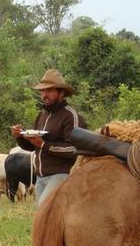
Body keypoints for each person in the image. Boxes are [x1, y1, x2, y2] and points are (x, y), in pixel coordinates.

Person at [11, 68, 86, 206]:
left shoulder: (70, 116)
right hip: (41, 177)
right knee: (45, 220)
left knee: (44, 210)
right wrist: (20, 136)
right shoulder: (41, 115)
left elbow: (75, 149)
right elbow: (33, 147)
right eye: (42, 91)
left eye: (49, 91)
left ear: (61, 92)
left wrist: (43, 145)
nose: (44, 94)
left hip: (63, 175)